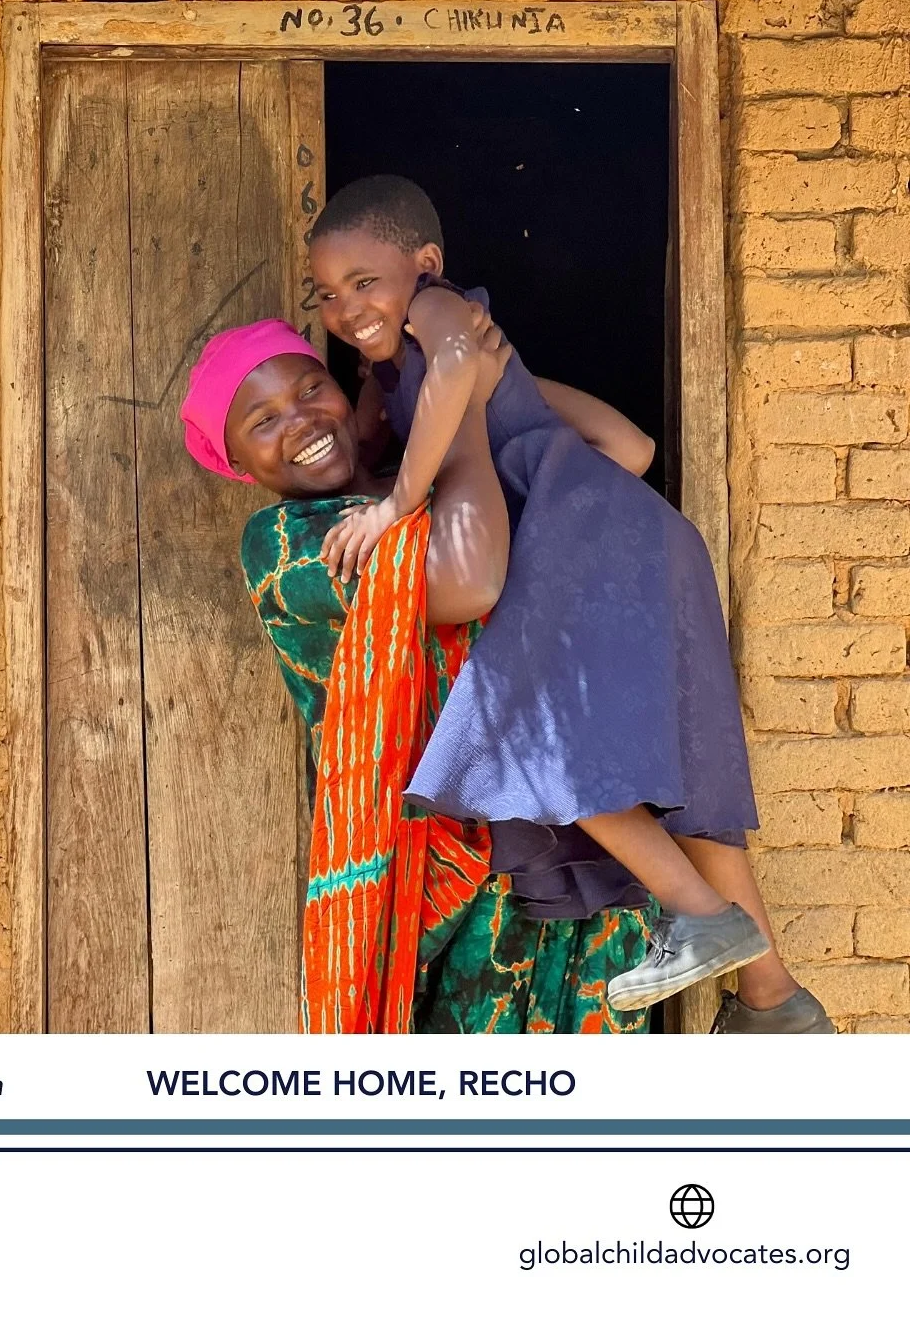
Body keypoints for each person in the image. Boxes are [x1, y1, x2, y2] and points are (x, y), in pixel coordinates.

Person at [307, 174, 833, 1033]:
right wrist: (503, 425)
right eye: (327, 294)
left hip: (592, 549)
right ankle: (776, 1004)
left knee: (527, 736)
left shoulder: (443, 316)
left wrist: (405, 502)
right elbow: (629, 445)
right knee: (671, 776)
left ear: (426, 265)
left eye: (366, 282)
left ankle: (699, 916)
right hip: (641, 545)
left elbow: (447, 376)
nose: (346, 307)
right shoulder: (423, 372)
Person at [181, 315, 652, 1034]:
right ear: (240, 464)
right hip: (449, 882)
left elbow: (624, 450)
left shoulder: (424, 480)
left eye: (312, 388)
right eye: (263, 420)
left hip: (580, 847)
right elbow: (468, 581)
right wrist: (455, 406)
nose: (300, 419)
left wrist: (488, 379)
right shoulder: (286, 546)